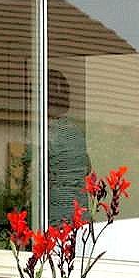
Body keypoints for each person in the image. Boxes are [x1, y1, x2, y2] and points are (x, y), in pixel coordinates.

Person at [46, 69, 92, 217]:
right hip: (80, 209)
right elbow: (87, 167)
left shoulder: (46, 132)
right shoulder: (76, 131)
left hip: (56, 211)